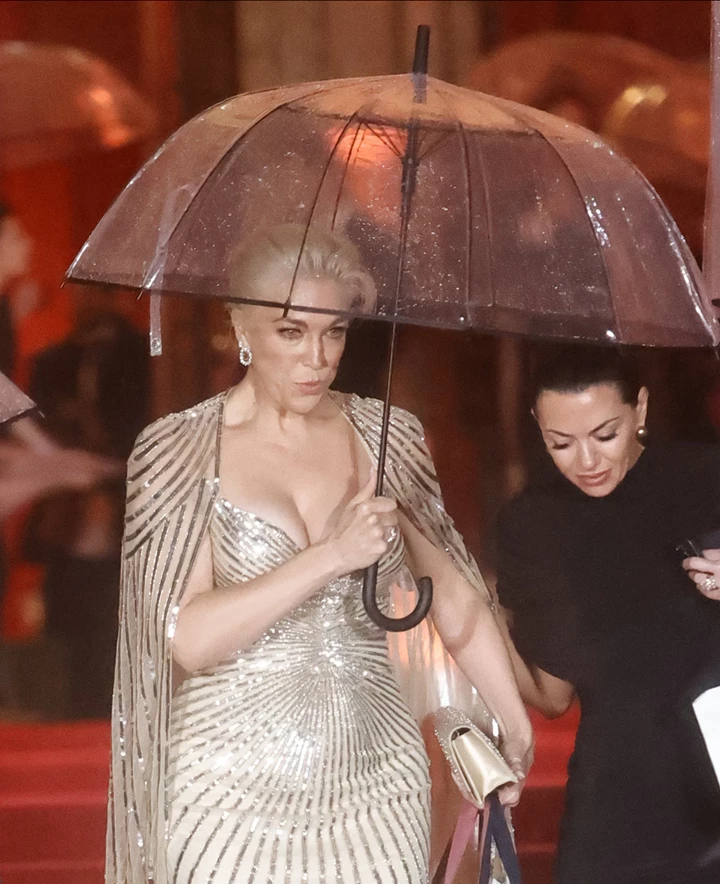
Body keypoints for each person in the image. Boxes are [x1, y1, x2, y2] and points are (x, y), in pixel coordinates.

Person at [108, 225, 533, 884]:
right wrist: (331, 557)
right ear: (241, 327)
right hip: (222, 788)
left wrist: (514, 721)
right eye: (290, 332)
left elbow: (452, 598)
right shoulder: (179, 449)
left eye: (334, 332)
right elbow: (188, 637)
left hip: (378, 779)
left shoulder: (385, 434)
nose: (317, 358)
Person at [496, 345, 720, 884]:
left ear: (640, 409)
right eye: (561, 443)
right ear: (538, 426)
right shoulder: (533, 524)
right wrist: (472, 602)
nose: (587, 462)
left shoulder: (708, 478)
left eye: (605, 435)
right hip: (617, 795)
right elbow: (552, 696)